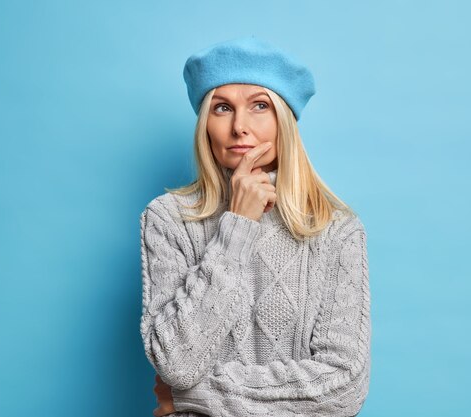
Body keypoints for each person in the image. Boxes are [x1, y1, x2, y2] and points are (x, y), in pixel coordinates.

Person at [140, 36, 371, 417]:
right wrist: (238, 226)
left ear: (284, 120)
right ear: (205, 124)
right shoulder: (167, 219)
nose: (239, 127)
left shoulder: (336, 229)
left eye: (259, 106)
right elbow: (177, 362)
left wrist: (192, 396)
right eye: (222, 108)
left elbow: (342, 387)